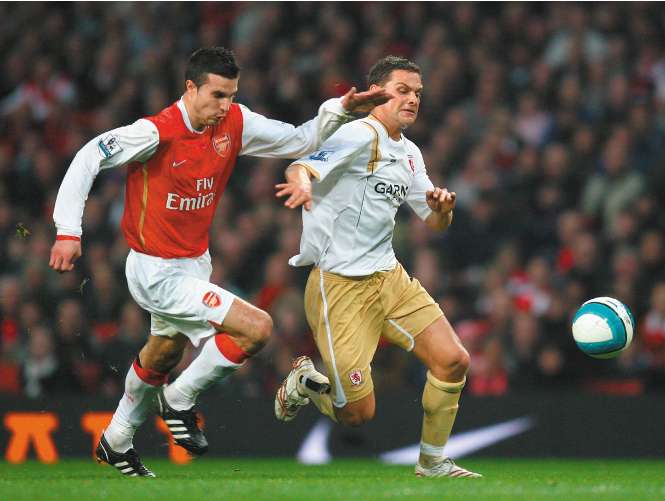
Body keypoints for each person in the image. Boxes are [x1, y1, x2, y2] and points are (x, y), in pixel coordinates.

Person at [49, 47, 389, 477]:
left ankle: (116, 441)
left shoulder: (236, 122)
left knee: (162, 355)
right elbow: (89, 155)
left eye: (231, 95)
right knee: (257, 328)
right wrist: (68, 231)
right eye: (216, 95)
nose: (224, 105)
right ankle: (179, 401)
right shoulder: (156, 132)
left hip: (194, 263)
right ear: (190, 88)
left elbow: (301, 139)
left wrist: (342, 109)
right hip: (155, 268)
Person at [274, 56, 481, 478]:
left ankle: (432, 461)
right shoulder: (357, 135)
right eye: (402, 90)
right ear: (377, 94)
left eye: (418, 93)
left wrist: (442, 210)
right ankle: (303, 382)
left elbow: (434, 221)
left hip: (389, 278)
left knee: (453, 360)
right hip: (340, 286)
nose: (412, 99)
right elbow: (302, 165)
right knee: (357, 414)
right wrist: (300, 181)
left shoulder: (409, 153)